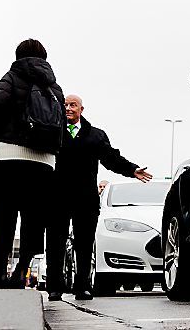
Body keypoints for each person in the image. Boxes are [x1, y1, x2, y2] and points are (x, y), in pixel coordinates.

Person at [46, 94, 152, 301]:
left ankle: (83, 287)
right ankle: (54, 288)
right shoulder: (51, 133)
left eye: (73, 105)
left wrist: (132, 170)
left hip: (86, 198)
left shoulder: (95, 135)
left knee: (84, 244)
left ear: (81, 110)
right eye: (65, 105)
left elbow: (111, 158)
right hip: (57, 197)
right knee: (55, 243)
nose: (68, 108)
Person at [0, 39, 65, 289]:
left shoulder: (11, 76)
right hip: (43, 161)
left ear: (18, 55)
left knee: (4, 215)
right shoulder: (54, 86)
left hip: (11, 155)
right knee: (33, 217)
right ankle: (21, 271)